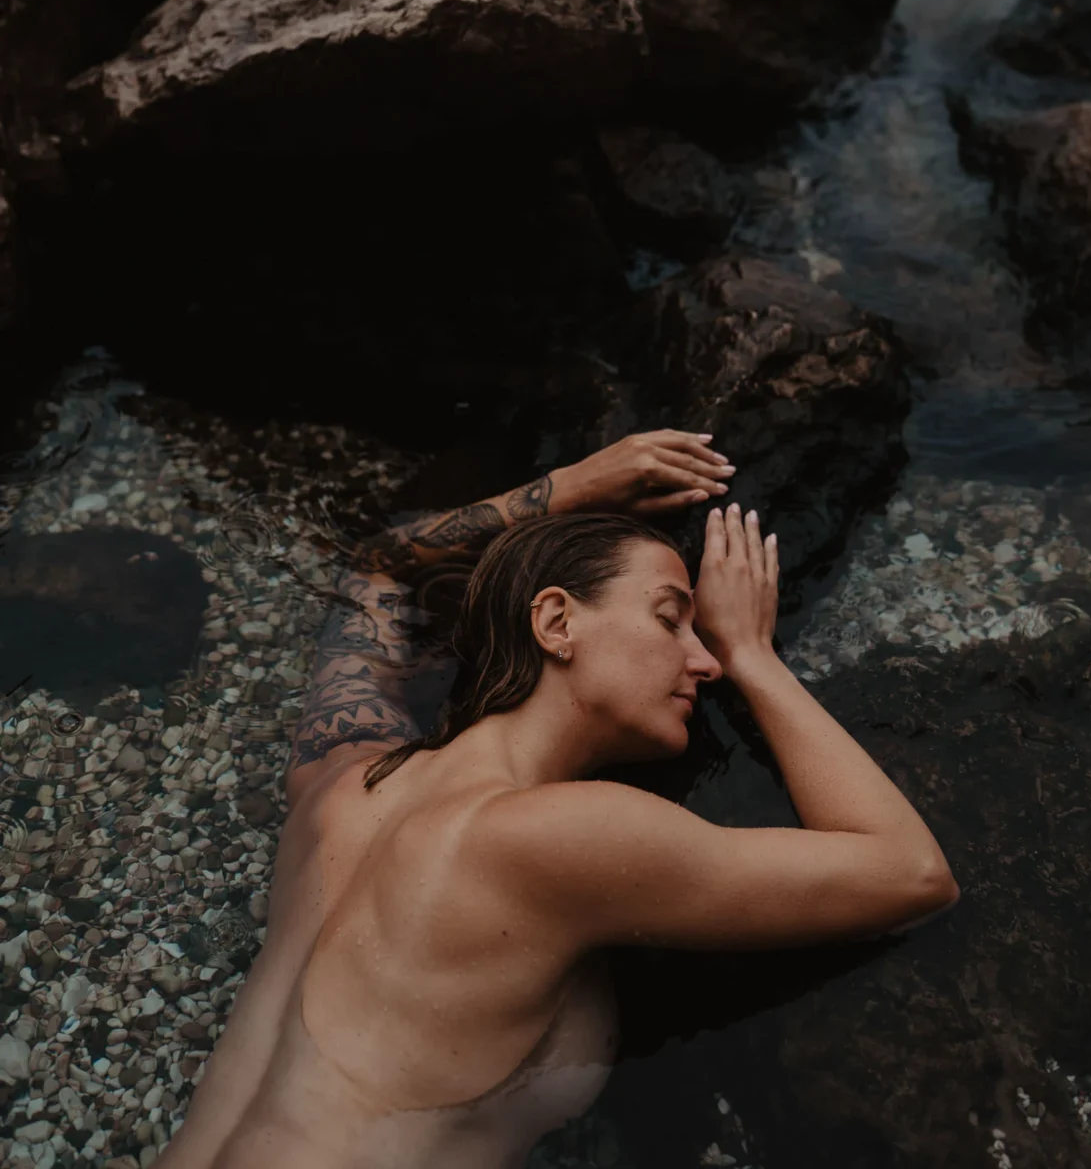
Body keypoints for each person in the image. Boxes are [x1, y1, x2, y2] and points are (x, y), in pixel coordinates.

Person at [160, 430, 957, 1169]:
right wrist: (755, 653)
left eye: (705, 634)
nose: (701, 656)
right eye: (672, 619)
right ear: (554, 621)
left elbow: (374, 567)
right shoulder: (557, 834)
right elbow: (912, 874)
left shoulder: (340, 777)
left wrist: (569, 485)